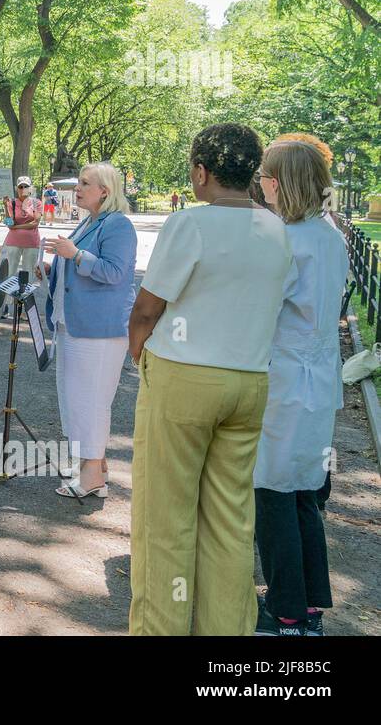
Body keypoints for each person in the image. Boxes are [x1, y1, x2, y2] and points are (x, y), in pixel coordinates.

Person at [126, 123, 292, 636]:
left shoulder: (190, 224)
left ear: (201, 172)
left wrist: (140, 356)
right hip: (250, 382)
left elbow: (147, 309)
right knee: (230, 523)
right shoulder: (276, 227)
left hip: (185, 377)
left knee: (165, 519)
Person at [253, 140, 348, 636]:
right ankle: (308, 603)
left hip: (286, 377)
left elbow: (261, 308)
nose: (262, 182)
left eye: (267, 175)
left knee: (272, 491)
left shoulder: (288, 240)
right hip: (317, 377)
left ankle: (286, 609)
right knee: (305, 492)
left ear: (281, 181)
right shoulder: (327, 235)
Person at [42, 163, 138, 499]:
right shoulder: (90, 220)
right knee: (75, 399)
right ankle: (93, 465)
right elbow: (78, 264)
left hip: (99, 330)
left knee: (90, 401)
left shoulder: (118, 225)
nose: (78, 189)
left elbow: (114, 273)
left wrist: (75, 254)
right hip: (73, 325)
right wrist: (54, 268)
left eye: (85, 183)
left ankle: (92, 475)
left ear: (105, 192)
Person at [0, 175, 41, 318]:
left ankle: (25, 309)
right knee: (10, 272)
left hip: (32, 243)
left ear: (30, 188)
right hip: (13, 242)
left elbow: (35, 223)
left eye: (26, 186)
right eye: (20, 186)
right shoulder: (12, 202)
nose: (23, 189)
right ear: (17, 188)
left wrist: (18, 227)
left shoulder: (36, 203)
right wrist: (5, 206)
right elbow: (9, 223)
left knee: (28, 273)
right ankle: (6, 305)